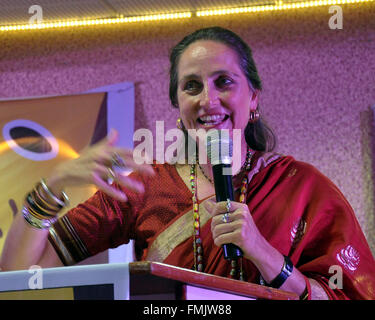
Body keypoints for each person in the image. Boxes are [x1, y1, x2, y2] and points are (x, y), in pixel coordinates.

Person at [1, 26, 374, 300]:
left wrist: (265, 255)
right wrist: (53, 186)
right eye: (191, 86)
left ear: (253, 98)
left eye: (223, 81)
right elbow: (18, 274)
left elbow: (351, 295)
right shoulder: (146, 186)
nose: (207, 100)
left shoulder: (302, 187)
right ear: (179, 108)